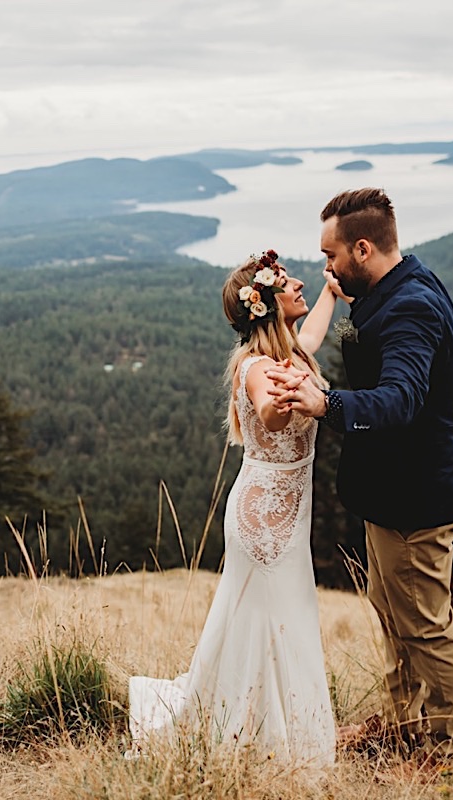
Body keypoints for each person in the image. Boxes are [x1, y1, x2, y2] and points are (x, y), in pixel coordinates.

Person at [265, 188, 453, 761]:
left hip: (416, 499)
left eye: (332, 255)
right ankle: (402, 724)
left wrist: (326, 403)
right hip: (390, 495)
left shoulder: (411, 305)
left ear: (362, 248)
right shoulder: (396, 285)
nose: (326, 267)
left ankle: (451, 748)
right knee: (394, 617)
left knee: (425, 627)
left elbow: (401, 399)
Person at [126, 249, 344, 765]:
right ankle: (265, 738)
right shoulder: (256, 367)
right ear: (266, 303)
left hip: (286, 509)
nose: (299, 286)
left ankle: (265, 727)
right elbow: (268, 414)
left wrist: (332, 294)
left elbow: (310, 337)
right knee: (270, 617)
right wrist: (285, 399)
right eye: (288, 283)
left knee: (282, 614)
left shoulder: (293, 353)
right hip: (264, 515)